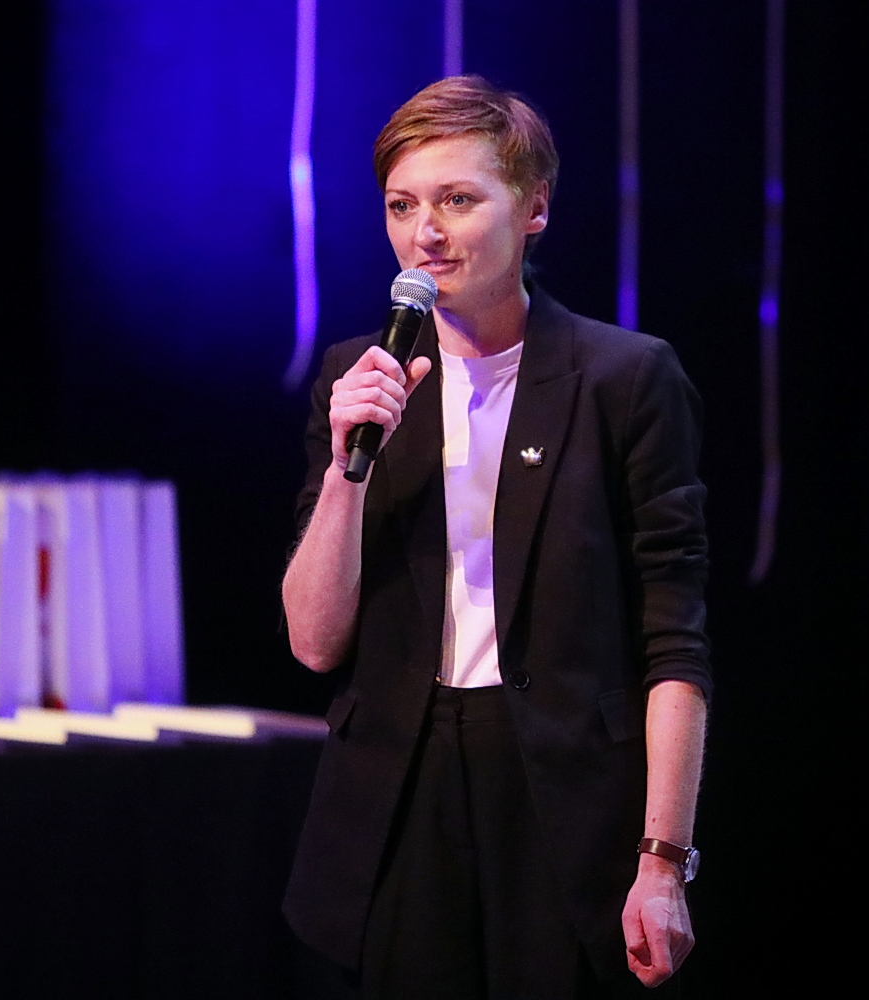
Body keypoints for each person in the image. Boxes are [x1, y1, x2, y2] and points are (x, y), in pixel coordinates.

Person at [282, 75, 710, 998]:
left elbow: (674, 641)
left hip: (561, 795)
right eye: (401, 205)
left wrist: (663, 858)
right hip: (400, 790)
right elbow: (314, 642)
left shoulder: (625, 379)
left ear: (535, 209)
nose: (424, 233)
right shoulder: (357, 378)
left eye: (456, 200)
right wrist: (347, 473)